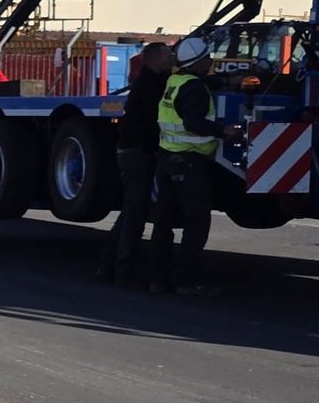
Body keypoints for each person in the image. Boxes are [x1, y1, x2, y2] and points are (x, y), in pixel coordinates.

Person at [149, 37, 243, 297]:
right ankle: (185, 281)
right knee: (197, 222)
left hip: (168, 159)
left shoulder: (175, 82)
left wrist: (223, 82)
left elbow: (197, 89)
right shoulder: (195, 90)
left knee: (163, 222)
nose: (210, 61)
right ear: (198, 61)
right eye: (207, 58)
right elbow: (193, 122)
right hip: (189, 162)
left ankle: (158, 280)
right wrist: (223, 131)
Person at [97, 42, 176, 286]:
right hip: (138, 153)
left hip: (133, 152)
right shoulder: (150, 86)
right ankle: (123, 269)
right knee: (136, 211)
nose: (171, 60)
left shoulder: (148, 82)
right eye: (167, 56)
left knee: (132, 210)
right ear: (154, 59)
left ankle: (110, 264)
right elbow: (154, 117)